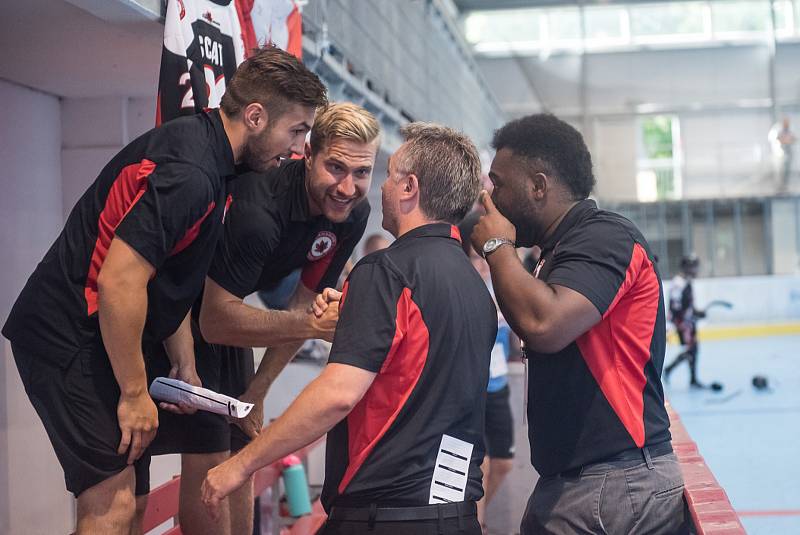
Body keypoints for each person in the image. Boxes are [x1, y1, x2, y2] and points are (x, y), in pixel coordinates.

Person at [1, 45, 326, 535]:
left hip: (105, 334)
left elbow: (169, 276)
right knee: (111, 506)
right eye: (296, 130)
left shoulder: (215, 162)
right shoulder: (193, 174)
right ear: (256, 117)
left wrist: (185, 365)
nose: (299, 148)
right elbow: (120, 280)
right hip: (67, 335)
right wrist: (134, 391)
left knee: (133, 502)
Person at [201, 122, 497, 535]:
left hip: (387, 515)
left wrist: (242, 464)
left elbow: (337, 395)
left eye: (388, 176)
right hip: (456, 514)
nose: (378, 189)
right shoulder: (475, 287)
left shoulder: (387, 271)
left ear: (410, 187)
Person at [148, 102, 380, 535]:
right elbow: (216, 321)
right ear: (308, 154)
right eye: (336, 167)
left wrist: (257, 390)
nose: (347, 187)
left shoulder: (351, 215)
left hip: (221, 311)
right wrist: (310, 326)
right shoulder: (262, 208)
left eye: (361, 172)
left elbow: (303, 305)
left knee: (243, 448)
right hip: (172, 305)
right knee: (210, 457)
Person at [471, 113, 686, 534]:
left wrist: (497, 247)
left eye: (499, 183)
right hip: (586, 484)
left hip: (614, 484)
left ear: (538, 186)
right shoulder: (560, 249)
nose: (489, 196)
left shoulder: (605, 236)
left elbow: (544, 323)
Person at [459, 212, 515, 535]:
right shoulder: (464, 289)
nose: (481, 266)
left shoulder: (503, 285)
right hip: (473, 388)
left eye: (484, 259)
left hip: (499, 386)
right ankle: (477, 524)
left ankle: (476, 516)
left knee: (503, 463)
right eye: (474, 259)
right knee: (482, 463)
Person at [664, 254, 705, 388]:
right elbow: (676, 306)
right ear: (686, 267)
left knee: (693, 349)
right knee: (691, 349)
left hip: (688, 322)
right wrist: (682, 321)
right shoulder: (678, 283)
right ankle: (670, 369)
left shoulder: (687, 282)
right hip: (683, 323)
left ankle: (692, 379)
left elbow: (688, 305)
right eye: (693, 267)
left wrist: (696, 312)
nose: (696, 270)